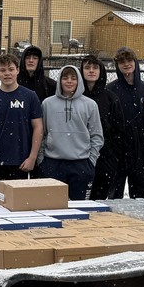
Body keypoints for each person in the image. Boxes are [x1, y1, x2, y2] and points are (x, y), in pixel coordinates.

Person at [0, 53, 43, 186]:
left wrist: (32, 157)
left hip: (21, 163)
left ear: (18, 70)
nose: (7, 73)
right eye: (2, 70)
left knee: (18, 205)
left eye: (11, 69)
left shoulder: (30, 96)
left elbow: (38, 127)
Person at [39, 65, 103, 200]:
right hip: (53, 163)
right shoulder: (47, 104)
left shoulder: (90, 105)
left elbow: (96, 136)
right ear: (59, 81)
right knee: (52, 206)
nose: (69, 81)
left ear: (79, 81)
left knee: (79, 209)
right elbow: (41, 134)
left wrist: (91, 161)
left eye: (73, 78)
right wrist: (41, 161)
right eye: (65, 78)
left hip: (81, 164)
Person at [106, 47, 144, 198]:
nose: (126, 64)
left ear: (135, 62)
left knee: (140, 195)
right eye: (122, 61)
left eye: (129, 60)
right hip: (118, 150)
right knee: (114, 195)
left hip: (140, 150)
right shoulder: (110, 90)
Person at [80, 54, 125, 200]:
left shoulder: (111, 98)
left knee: (98, 202)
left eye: (95, 68)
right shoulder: (74, 97)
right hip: (78, 158)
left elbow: (118, 131)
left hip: (104, 159)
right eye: (87, 67)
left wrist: (112, 158)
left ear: (101, 71)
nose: (91, 71)